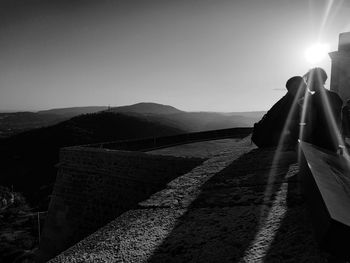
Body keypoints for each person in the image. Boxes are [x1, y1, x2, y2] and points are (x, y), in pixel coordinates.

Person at [252, 76, 307, 148]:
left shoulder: (287, 100)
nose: (306, 87)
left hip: (264, 137)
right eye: (303, 85)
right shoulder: (291, 103)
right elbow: (292, 127)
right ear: (294, 88)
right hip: (269, 139)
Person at [300, 67, 343, 152]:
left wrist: (301, 141)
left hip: (316, 142)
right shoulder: (335, 96)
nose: (307, 84)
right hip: (332, 141)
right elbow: (339, 122)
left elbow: (311, 123)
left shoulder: (312, 99)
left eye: (308, 80)